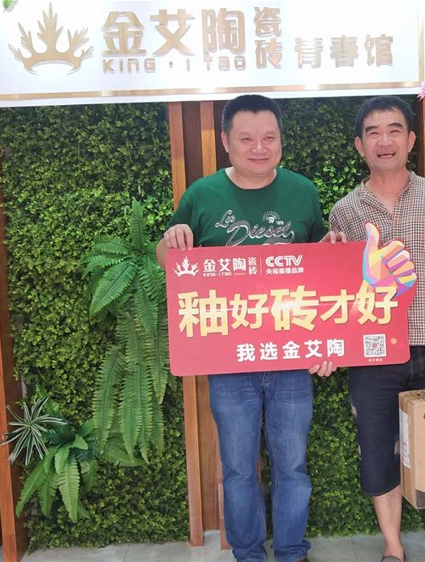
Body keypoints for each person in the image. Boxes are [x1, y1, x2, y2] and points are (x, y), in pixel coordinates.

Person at [156, 94, 341, 562]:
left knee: (292, 465)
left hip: (292, 358)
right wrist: (171, 240)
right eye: (246, 139)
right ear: (226, 141)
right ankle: (248, 554)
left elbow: (321, 267)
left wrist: (334, 248)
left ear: (280, 140)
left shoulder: (303, 192)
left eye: (269, 138)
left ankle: (293, 551)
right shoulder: (202, 195)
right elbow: (168, 260)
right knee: (238, 468)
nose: (259, 147)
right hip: (229, 361)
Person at [328, 95, 425, 562]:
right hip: (373, 352)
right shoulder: (345, 212)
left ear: (411, 139)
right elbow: (335, 291)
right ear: (359, 146)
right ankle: (393, 548)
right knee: (379, 453)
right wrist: (330, 251)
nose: (385, 140)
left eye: (394, 130)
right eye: (373, 133)